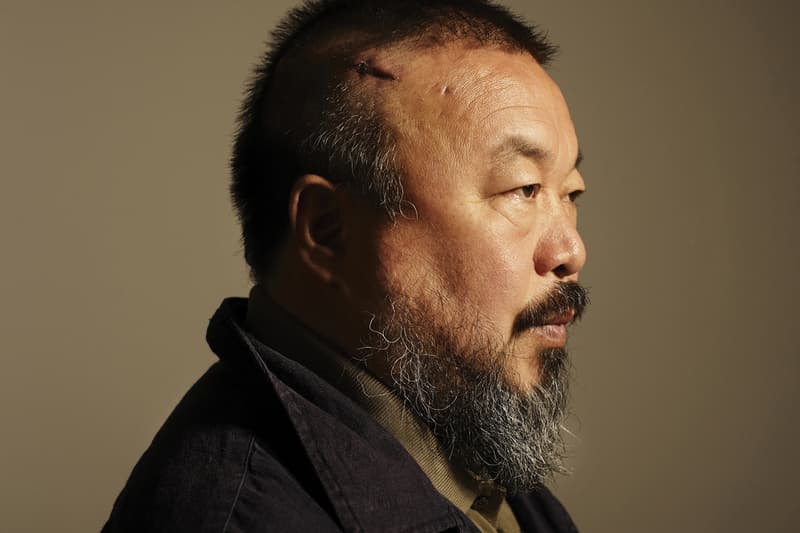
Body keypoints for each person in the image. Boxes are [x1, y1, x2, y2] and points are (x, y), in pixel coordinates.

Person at [103, 0, 589, 531]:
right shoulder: (238, 517)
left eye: (571, 192)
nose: (571, 250)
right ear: (328, 231)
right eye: (524, 189)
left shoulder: (480, 469)